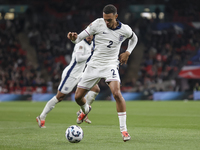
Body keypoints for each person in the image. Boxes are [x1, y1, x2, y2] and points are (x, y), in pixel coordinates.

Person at [67, 4, 138, 142]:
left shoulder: (125, 29)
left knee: (116, 93)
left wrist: (128, 52)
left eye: (109, 20)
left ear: (116, 17)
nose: (106, 22)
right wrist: (73, 37)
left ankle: (123, 130)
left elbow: (134, 39)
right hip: (93, 65)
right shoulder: (97, 24)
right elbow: (78, 38)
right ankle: (85, 110)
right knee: (77, 97)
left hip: (110, 64)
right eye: (105, 19)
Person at [36, 35, 100, 128]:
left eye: (90, 34)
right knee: (59, 97)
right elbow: (78, 59)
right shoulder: (81, 44)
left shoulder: (92, 44)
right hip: (71, 74)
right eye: (87, 34)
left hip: (80, 74)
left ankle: (83, 112)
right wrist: (91, 54)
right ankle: (41, 116)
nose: (89, 36)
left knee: (95, 89)